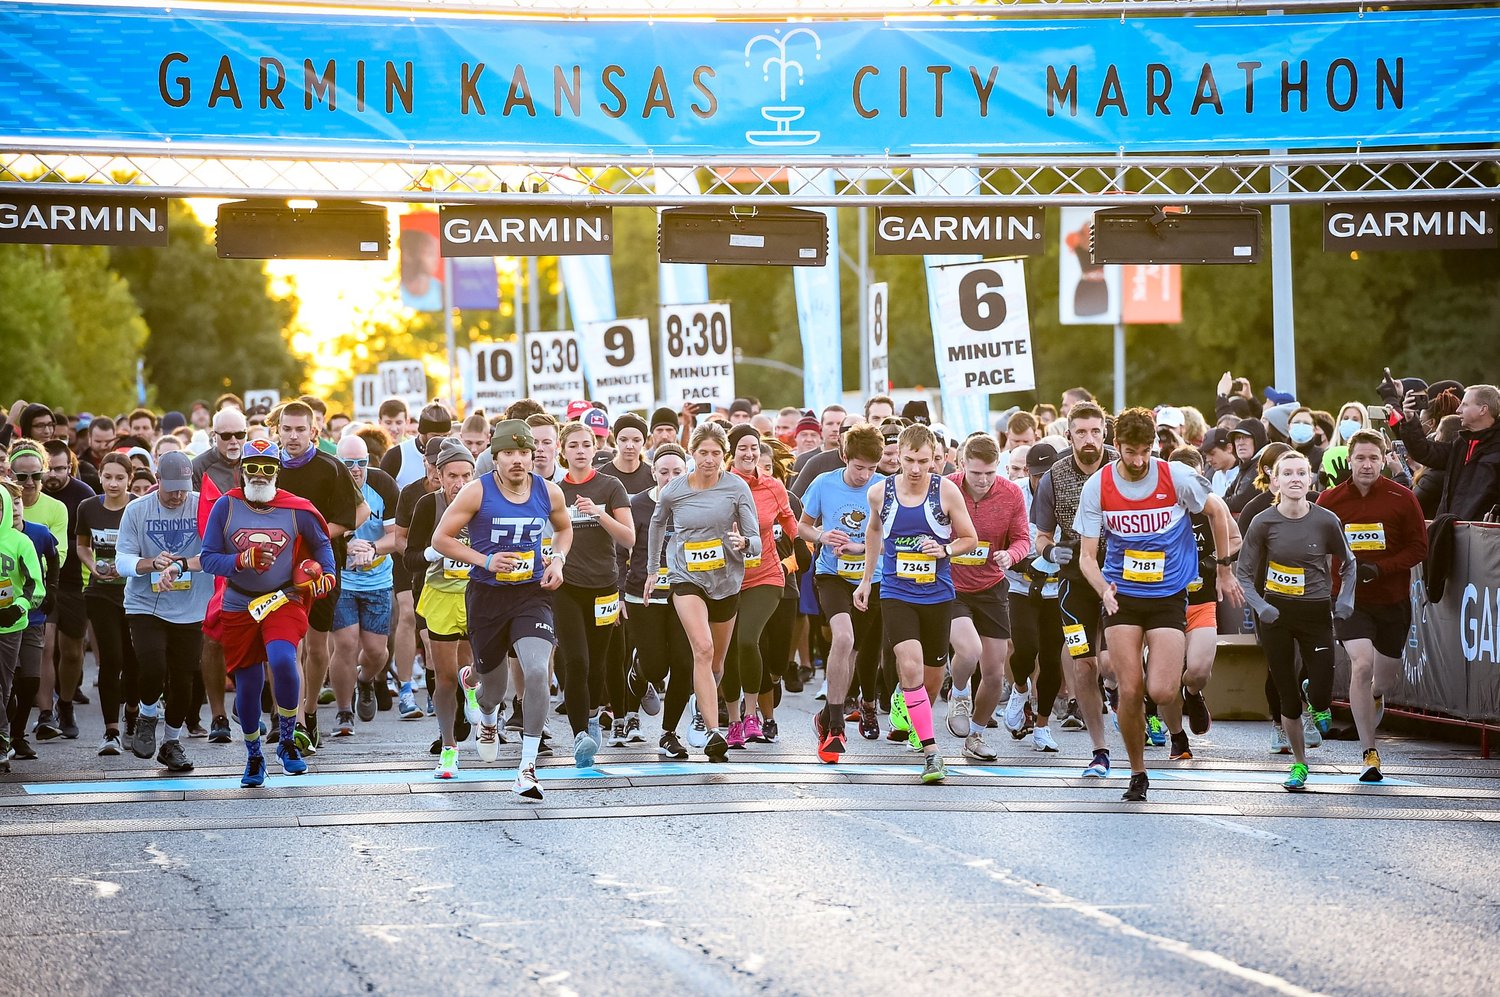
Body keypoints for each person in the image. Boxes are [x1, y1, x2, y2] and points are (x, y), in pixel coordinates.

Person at [1075, 409, 1240, 801]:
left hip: (1168, 595)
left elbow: (1217, 511)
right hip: (1123, 598)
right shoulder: (1098, 486)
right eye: (1130, 452)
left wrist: (1224, 569)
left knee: (1163, 690)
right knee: (1129, 689)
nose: (1137, 460)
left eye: (1144, 451)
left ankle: (1177, 706)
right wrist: (1103, 588)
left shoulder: (1175, 476)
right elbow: (1085, 557)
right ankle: (1137, 771)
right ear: (1117, 447)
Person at [433, 420, 570, 797]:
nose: (517, 460)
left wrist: (556, 560)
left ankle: (527, 768)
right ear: (495, 457)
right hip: (487, 596)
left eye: (524, 452)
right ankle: (486, 713)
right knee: (494, 688)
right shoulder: (477, 492)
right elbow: (441, 539)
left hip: (531, 594)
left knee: (538, 672)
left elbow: (564, 529)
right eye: (508, 453)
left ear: (533, 456)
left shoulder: (549, 492)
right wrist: (485, 560)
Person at [200, 439, 337, 787]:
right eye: (253, 467)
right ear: (241, 469)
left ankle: (288, 740)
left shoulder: (297, 509)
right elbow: (207, 558)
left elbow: (322, 544)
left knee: (281, 658)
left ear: (278, 471)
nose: (259, 475)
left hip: (283, 598)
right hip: (239, 601)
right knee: (247, 683)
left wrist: (328, 574)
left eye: (267, 468)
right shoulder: (226, 507)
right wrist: (239, 560)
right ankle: (253, 755)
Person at [853, 424, 978, 784]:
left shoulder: (946, 491)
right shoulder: (880, 493)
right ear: (898, 456)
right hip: (896, 593)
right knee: (909, 666)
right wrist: (866, 580)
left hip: (938, 595)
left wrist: (945, 549)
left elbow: (970, 538)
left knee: (932, 678)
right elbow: (874, 531)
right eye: (909, 460)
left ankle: (907, 704)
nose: (917, 469)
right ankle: (931, 753)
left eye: (924, 461)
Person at [1236, 450, 1357, 792]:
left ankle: (1314, 696)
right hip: (1275, 613)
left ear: (1310, 479)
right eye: (1286, 473)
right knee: (1286, 695)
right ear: (1274, 480)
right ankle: (1299, 764)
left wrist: (1345, 599)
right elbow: (1243, 574)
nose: (1294, 478)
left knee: (1320, 695)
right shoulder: (1263, 522)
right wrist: (1261, 606)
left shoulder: (1325, 520)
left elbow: (1349, 563)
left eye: (1300, 473)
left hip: (1316, 611)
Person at [1316, 430, 1428, 783]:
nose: (1366, 465)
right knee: (1361, 665)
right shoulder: (1330, 499)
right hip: (1349, 600)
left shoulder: (1402, 497)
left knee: (1384, 679)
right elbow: (1313, 543)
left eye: (1373, 459)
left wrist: (1381, 568)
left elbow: (1418, 548)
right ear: (1349, 460)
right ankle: (1369, 753)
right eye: (1360, 458)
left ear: (1383, 461)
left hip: (1392, 600)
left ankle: (1376, 696)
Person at [645, 422, 759, 762]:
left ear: (724, 455)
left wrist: (743, 543)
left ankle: (702, 697)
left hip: (726, 581)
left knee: (717, 662)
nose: (709, 460)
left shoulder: (736, 488)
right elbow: (657, 524)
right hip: (686, 579)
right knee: (703, 648)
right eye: (702, 453)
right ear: (692, 453)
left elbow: (755, 542)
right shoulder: (675, 490)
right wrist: (653, 570)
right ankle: (712, 731)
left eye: (716, 454)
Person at [274, 401, 366, 751]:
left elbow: (351, 516)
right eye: (287, 429)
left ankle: (310, 712)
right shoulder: (268, 467)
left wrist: (311, 536)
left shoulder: (331, 467)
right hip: (277, 569)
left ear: (313, 431)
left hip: (322, 567)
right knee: (287, 644)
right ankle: (291, 719)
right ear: (278, 431)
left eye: (300, 429)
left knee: (315, 645)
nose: (293, 436)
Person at [114, 451, 210, 772]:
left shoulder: (203, 506)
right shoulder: (137, 510)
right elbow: (122, 560)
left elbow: (216, 549)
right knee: (153, 665)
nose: (178, 495)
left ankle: (171, 742)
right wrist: (150, 563)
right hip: (146, 604)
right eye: (171, 489)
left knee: (184, 678)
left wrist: (184, 565)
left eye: (183, 488)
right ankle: (146, 714)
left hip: (191, 605)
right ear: (157, 481)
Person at [1031, 402, 1116, 753]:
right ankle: (1099, 749)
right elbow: (1041, 536)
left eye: (1095, 431)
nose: (1089, 439)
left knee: (1112, 664)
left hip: (1120, 579)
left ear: (1105, 433)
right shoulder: (1053, 476)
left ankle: (1122, 696)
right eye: (1081, 432)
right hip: (1074, 582)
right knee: (1084, 664)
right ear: (1069, 436)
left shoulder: (1122, 466)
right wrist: (1051, 552)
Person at [799, 424, 887, 760]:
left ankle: (825, 717)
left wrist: (859, 547)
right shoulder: (824, 484)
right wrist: (821, 536)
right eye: (859, 467)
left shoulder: (884, 488)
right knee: (844, 639)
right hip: (831, 575)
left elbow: (888, 537)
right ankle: (835, 725)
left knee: (855, 652)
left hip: (872, 577)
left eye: (872, 468)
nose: (865, 475)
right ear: (844, 457)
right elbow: (802, 525)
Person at [944, 434, 1030, 761]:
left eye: (990, 473)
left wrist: (1012, 554)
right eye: (976, 473)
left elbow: (1023, 538)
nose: (982, 480)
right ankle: (960, 692)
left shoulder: (1011, 495)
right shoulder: (946, 488)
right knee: (969, 649)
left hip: (992, 585)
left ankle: (976, 736)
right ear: (962, 464)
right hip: (951, 585)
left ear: (1000, 468)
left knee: (994, 671)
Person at [553, 421, 633, 765]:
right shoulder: (554, 490)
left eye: (586, 444)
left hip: (604, 586)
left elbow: (629, 538)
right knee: (576, 661)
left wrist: (599, 514)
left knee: (598, 666)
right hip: (566, 587)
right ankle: (579, 737)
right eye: (573, 445)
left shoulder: (610, 485)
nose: (581, 450)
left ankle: (592, 718)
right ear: (563, 451)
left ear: (596, 448)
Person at [406, 442, 481, 776]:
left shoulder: (485, 504)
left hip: (478, 593)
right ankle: (449, 746)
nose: (459, 483)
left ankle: (477, 697)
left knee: (478, 666)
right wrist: (430, 554)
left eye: (466, 475)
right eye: (452, 475)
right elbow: (408, 558)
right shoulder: (427, 505)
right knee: (444, 674)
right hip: (439, 595)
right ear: (438, 474)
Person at [723, 425, 798, 748]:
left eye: (754, 447)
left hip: (766, 575)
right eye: (742, 447)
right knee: (727, 651)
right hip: (724, 577)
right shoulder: (716, 485)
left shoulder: (773, 487)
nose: (750, 453)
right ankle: (734, 721)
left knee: (747, 640)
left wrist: (816, 539)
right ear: (731, 451)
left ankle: (752, 714)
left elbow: (791, 524)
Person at [1166, 446, 1244, 759]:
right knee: (1165, 679)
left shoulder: (1211, 505)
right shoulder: (1159, 508)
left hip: (1201, 601)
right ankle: (1176, 738)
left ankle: (1193, 693)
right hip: (1165, 603)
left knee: (1197, 670)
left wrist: (1216, 563)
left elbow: (1236, 538)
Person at [622, 444, 695, 758]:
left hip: (685, 594)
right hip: (643, 595)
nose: (670, 478)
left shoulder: (696, 504)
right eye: (663, 472)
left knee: (683, 663)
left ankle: (668, 734)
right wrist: (617, 590)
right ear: (652, 473)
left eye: (677, 472)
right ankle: (639, 668)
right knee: (656, 666)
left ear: (686, 473)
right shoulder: (636, 505)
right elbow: (619, 552)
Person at [331, 434, 402, 734]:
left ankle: (365, 680)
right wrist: (344, 545)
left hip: (377, 578)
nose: (356, 470)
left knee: (377, 652)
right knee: (345, 644)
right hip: (343, 580)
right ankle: (344, 711)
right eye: (349, 465)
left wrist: (372, 549)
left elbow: (396, 538)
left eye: (361, 463)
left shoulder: (383, 484)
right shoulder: (330, 487)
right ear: (338, 464)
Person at [191, 406, 247, 742]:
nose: (233, 441)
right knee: (212, 639)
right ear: (214, 436)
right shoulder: (199, 467)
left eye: (239, 434)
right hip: (212, 564)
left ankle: (249, 700)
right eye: (225, 436)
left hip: (256, 560)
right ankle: (218, 716)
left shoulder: (261, 458)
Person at [1006, 441, 1066, 751]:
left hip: (1056, 587)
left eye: (1049, 474)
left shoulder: (1065, 490)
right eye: (1038, 474)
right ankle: (1019, 688)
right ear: (1028, 471)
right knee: (1026, 648)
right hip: (1021, 583)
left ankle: (1042, 726)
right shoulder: (1015, 493)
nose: (1044, 481)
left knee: (1052, 657)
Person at [76, 453, 138, 756]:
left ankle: (133, 715)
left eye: (120, 478)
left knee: (135, 661)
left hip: (135, 595)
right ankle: (111, 731)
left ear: (130, 478)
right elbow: (81, 546)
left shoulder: (138, 508)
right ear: (100, 476)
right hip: (100, 593)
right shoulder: (88, 508)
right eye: (108, 477)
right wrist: (94, 566)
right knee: (111, 660)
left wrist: (127, 567)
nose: (113, 483)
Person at [1382, 377, 1500, 523]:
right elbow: (1425, 452)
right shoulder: (1461, 444)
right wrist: (1410, 419)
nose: (1458, 410)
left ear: (1483, 409)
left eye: (1465, 404)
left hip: (1487, 535)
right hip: (1453, 529)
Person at [39, 439, 95, 740]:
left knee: (73, 651)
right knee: (46, 647)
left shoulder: (83, 494)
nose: (54, 475)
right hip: (42, 580)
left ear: (69, 466)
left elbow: (92, 540)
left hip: (75, 580)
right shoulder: (30, 492)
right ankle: (45, 713)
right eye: (49, 469)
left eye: (61, 468)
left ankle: (66, 703)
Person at [4, 478, 58, 766]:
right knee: (7, 683)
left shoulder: (38, 533)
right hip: (5, 619)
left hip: (32, 614)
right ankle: (7, 735)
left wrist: (53, 591)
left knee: (30, 680)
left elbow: (53, 557)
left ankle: (18, 734)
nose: (13, 508)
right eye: (6, 502)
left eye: (17, 501)